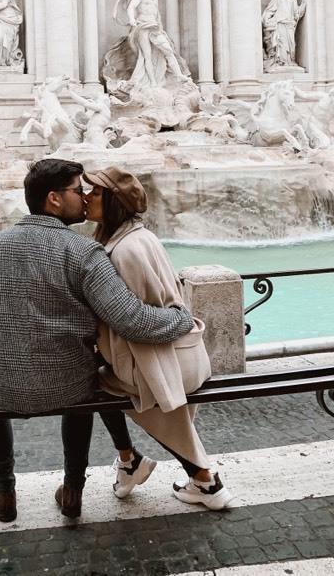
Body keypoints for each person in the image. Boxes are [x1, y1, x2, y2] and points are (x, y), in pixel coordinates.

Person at [0, 158, 194, 523]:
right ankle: (73, 491)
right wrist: (180, 317)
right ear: (54, 199)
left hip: (0, 383)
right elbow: (133, 321)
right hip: (68, 384)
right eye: (77, 190)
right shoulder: (84, 252)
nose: (84, 198)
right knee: (86, 388)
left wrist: (7, 352)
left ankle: (4, 491)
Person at [83, 167, 235, 509]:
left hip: (162, 362)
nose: (87, 196)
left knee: (97, 384)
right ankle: (136, 464)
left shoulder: (123, 252)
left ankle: (203, 481)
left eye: (95, 192)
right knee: (140, 402)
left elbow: (137, 323)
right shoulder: (140, 236)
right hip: (187, 355)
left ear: (113, 202)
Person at [112, 0, 188, 88]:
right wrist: (132, 19)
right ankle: (152, 82)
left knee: (168, 50)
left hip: (155, 27)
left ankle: (179, 75)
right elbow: (131, 7)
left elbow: (157, 17)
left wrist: (161, 29)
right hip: (142, 26)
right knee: (146, 55)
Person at [261, 0, 306, 69]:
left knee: (291, 44)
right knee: (282, 44)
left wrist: (304, 3)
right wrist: (267, 18)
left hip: (289, 24)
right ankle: (282, 62)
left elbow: (297, 13)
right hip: (280, 23)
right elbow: (270, 10)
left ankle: (291, 61)